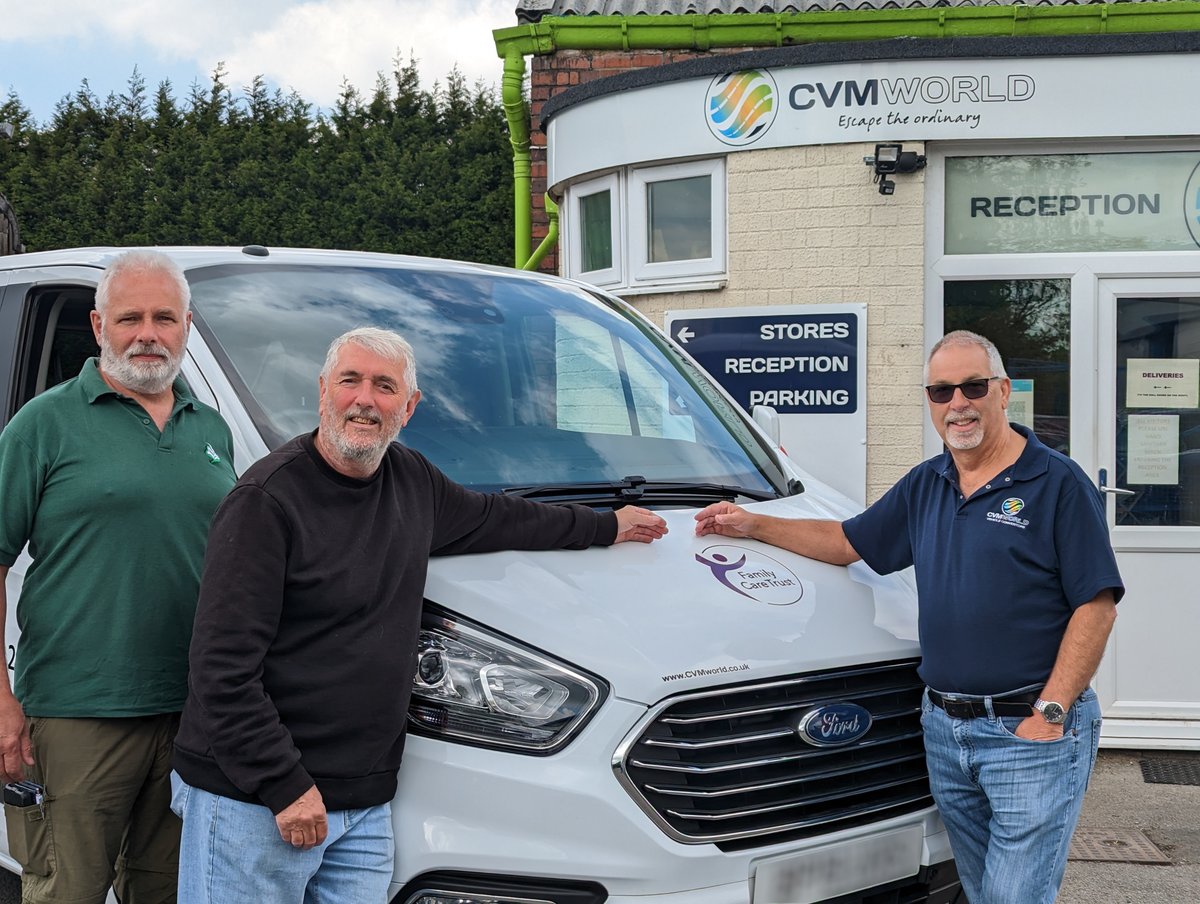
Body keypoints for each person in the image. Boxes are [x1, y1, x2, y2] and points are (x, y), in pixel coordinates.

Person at [170, 326, 668, 904]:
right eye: (350, 380)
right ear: (323, 389)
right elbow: (220, 672)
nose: (364, 400)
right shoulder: (265, 502)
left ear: (409, 407)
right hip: (254, 800)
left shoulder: (411, 481)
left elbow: (501, 518)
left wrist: (608, 526)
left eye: (385, 387)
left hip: (361, 805)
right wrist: (283, 784)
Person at [695, 330, 1122, 904]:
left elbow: (1095, 605)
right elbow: (848, 542)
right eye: (941, 392)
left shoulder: (1056, 482)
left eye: (972, 386)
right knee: (977, 891)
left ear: (1001, 392)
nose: (958, 404)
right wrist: (752, 524)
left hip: (1029, 732)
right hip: (946, 731)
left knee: (1013, 896)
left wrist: (1050, 713)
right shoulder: (929, 482)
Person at [0, 250, 237, 903]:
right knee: (68, 890)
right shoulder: (44, 425)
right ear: (99, 325)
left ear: (186, 325)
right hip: (80, 712)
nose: (148, 333)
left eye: (164, 318)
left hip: (191, 713)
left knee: (166, 891)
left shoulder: (210, 429)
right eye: (130, 317)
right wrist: (1, 699)